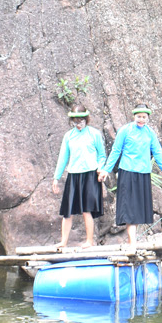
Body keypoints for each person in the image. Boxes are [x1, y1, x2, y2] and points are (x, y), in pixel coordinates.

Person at [100, 105, 162, 249]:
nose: (141, 119)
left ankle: (132, 242)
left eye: (144, 117)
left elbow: (158, 152)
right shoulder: (125, 130)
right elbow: (116, 151)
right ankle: (133, 243)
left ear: (147, 118)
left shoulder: (150, 133)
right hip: (127, 172)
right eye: (139, 117)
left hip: (143, 173)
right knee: (129, 207)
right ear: (134, 117)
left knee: (138, 209)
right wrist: (106, 169)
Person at [52, 107, 105, 250]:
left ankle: (89, 241)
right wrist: (56, 178)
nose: (78, 124)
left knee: (86, 209)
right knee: (67, 210)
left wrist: (100, 169)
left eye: (81, 120)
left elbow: (102, 155)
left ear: (86, 119)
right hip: (74, 174)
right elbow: (63, 158)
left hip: (90, 174)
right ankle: (63, 241)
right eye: (75, 121)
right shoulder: (69, 136)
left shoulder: (94, 134)